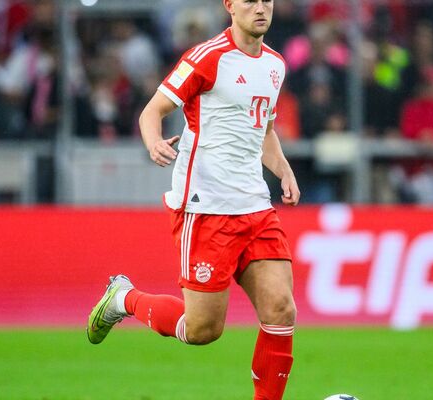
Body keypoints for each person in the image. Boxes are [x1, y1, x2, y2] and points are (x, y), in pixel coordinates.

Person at [86, 2, 300, 400]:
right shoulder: (206, 57)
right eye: (249, 0)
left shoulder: (275, 65)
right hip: (206, 207)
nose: (260, 7)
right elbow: (153, 111)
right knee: (203, 330)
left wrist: (283, 169)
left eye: (266, 0)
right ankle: (123, 298)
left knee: (281, 310)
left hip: (255, 205)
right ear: (230, 6)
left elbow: (263, 129)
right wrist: (153, 144)